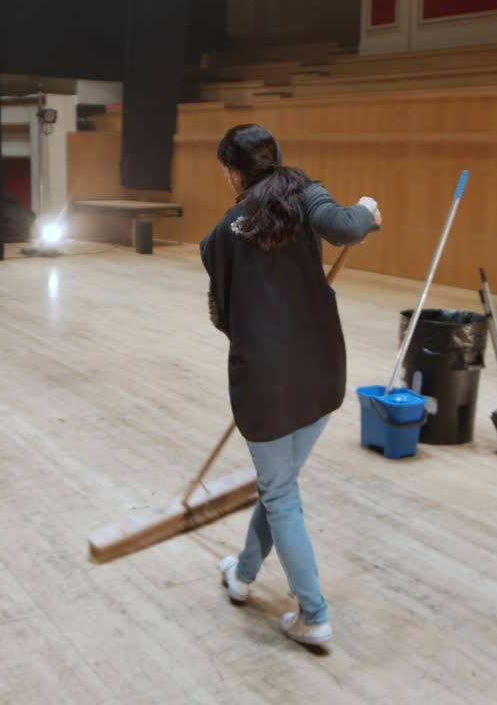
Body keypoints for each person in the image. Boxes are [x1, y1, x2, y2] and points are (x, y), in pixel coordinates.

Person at [199, 123, 381, 647]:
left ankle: (314, 615)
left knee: (279, 492)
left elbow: (222, 315)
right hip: (321, 369)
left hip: (267, 383)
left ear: (234, 174)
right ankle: (244, 575)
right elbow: (346, 227)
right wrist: (367, 209)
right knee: (278, 487)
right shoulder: (305, 193)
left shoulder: (220, 236)